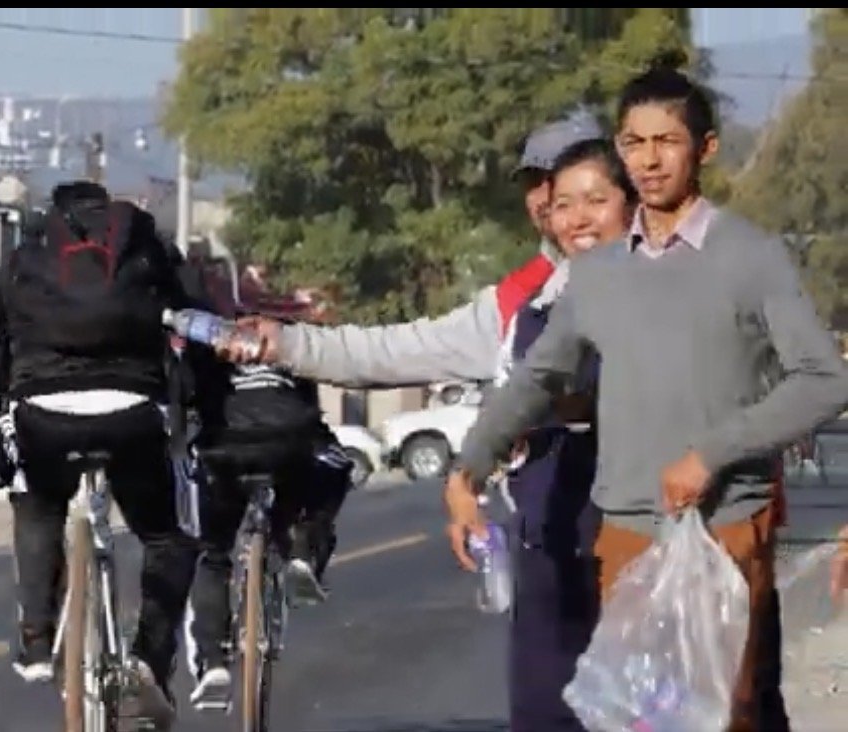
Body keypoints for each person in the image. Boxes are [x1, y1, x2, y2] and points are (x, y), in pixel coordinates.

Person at [446, 67, 848, 732]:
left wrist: (712, 453)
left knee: (724, 717)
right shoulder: (599, 275)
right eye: (634, 143)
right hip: (626, 537)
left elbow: (825, 378)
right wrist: (468, 469)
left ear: (705, 149)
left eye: (667, 141)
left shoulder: (750, 257)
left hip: (724, 532)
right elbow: (537, 379)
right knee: (640, 721)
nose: (649, 159)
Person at [0, 181, 195, 727]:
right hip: (132, 408)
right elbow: (190, 322)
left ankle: (37, 641)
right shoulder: (145, 247)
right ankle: (148, 663)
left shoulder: (26, 254)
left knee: (40, 505)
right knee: (165, 537)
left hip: (42, 412)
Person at [218, 112, 605, 392]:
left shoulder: (658, 272)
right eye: (533, 183)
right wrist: (286, 343)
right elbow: (398, 351)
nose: (544, 199)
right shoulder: (521, 300)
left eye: (559, 178)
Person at [486, 137, 639, 731]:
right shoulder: (532, 312)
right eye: (561, 203)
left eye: (595, 200)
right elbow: (507, 403)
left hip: (638, 546)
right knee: (546, 713)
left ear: (630, 204)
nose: (576, 218)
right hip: (549, 546)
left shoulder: (669, 294)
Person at [179, 314, 354, 710]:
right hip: (287, 447)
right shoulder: (288, 344)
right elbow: (312, 417)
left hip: (223, 452)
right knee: (329, 470)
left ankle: (212, 662)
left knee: (214, 554)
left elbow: (188, 402)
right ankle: (304, 550)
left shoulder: (206, 345)